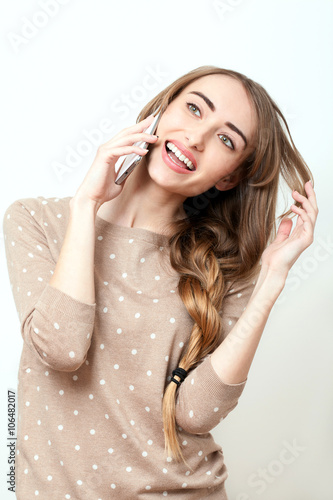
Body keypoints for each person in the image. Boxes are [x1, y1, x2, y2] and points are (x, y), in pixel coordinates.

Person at [3, 65, 318, 499]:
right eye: (192, 109)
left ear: (228, 177)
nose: (195, 138)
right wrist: (86, 205)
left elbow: (196, 413)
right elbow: (61, 348)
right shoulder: (36, 220)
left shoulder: (223, 267)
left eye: (225, 139)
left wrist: (271, 280)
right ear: (160, 111)